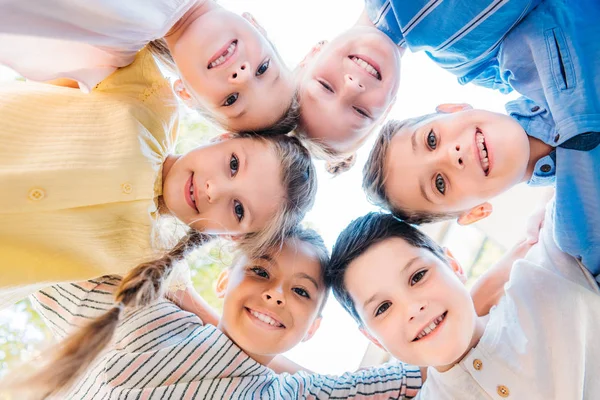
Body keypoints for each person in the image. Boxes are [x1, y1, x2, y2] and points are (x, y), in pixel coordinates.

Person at [0, 52, 316, 309]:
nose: (215, 189)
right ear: (223, 137)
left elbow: (219, 329)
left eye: (237, 210)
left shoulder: (148, 257)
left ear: (231, 237)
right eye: (233, 164)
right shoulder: (152, 104)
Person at [3, 227, 422, 399]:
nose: (276, 294)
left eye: (299, 291)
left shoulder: (293, 394)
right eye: (260, 271)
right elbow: (46, 244)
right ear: (223, 283)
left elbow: (420, 376)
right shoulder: (149, 314)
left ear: (313, 328)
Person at [326, 211, 600, 399]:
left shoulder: (544, 272)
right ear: (373, 338)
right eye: (383, 307)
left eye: (418, 276)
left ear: (453, 265)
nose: (412, 308)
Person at [294, 0, 541, 172]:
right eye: (360, 111)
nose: (352, 87)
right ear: (388, 109)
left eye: (325, 87)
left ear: (311, 55)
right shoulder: (482, 68)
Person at [0, 0, 297, 133]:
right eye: (262, 69)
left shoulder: (110, 52)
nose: (241, 76)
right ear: (257, 25)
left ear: (186, 95)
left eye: (231, 100)